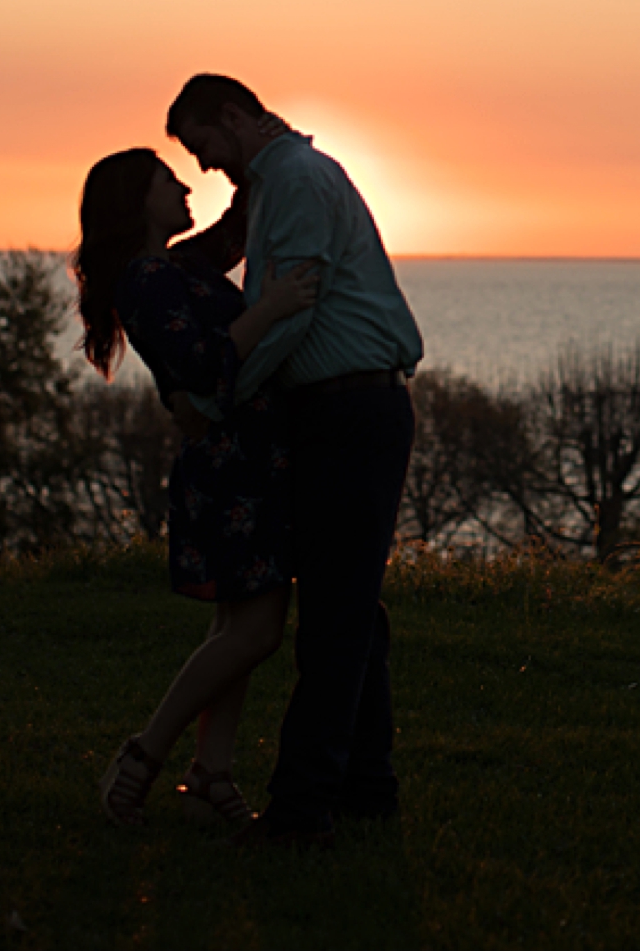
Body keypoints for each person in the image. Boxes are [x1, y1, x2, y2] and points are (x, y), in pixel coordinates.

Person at [166, 74, 424, 849]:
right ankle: (367, 786)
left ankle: (302, 809)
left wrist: (219, 389)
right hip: (332, 412)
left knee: (335, 622)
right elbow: (261, 292)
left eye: (204, 145)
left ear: (236, 116)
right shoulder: (278, 186)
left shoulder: (299, 181)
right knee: (349, 611)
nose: (207, 166)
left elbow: (291, 304)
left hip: (352, 410)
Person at [74, 146, 322, 830]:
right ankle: (143, 755)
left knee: (236, 627)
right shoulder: (144, 278)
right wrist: (272, 306)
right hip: (231, 465)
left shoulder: (178, 264)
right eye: (168, 179)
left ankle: (212, 771)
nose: (186, 185)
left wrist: (267, 153)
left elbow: (237, 228)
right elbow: (203, 364)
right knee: (258, 630)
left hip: (251, 457)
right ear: (137, 199)